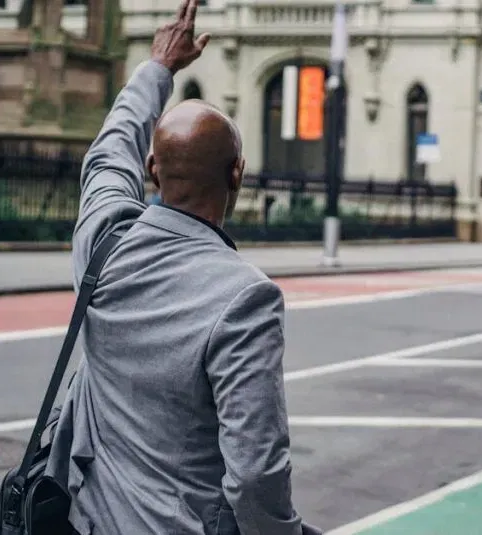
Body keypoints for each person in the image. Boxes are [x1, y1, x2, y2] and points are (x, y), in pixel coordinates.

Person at [45, 1, 318, 533]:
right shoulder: (246, 298)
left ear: (152, 169)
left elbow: (107, 155)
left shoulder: (104, 246)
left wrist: (158, 67)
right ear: (237, 174)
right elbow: (256, 477)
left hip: (87, 521)